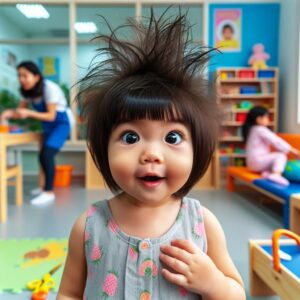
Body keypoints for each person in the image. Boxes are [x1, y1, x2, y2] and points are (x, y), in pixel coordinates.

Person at [57, 11, 245, 300]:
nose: (151, 154)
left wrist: (214, 284)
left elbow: (236, 293)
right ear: (103, 147)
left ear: (198, 148)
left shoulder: (202, 224)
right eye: (131, 137)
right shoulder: (89, 225)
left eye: (172, 137)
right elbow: (69, 293)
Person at [0, 61, 74, 204]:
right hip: (48, 125)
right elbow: (21, 112)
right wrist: (8, 113)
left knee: (47, 154)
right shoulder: (26, 91)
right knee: (42, 156)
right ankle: (44, 188)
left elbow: (51, 115)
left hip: (61, 123)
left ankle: (48, 192)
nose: (21, 79)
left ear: (36, 76)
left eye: (25, 75)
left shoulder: (49, 89)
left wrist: (28, 112)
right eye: (19, 76)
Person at [242, 106, 300, 186]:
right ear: (259, 119)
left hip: (251, 164)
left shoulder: (252, 129)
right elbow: (276, 141)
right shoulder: (260, 129)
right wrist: (292, 150)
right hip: (258, 162)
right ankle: (276, 174)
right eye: (267, 117)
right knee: (280, 156)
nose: (268, 119)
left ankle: (267, 173)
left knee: (274, 159)